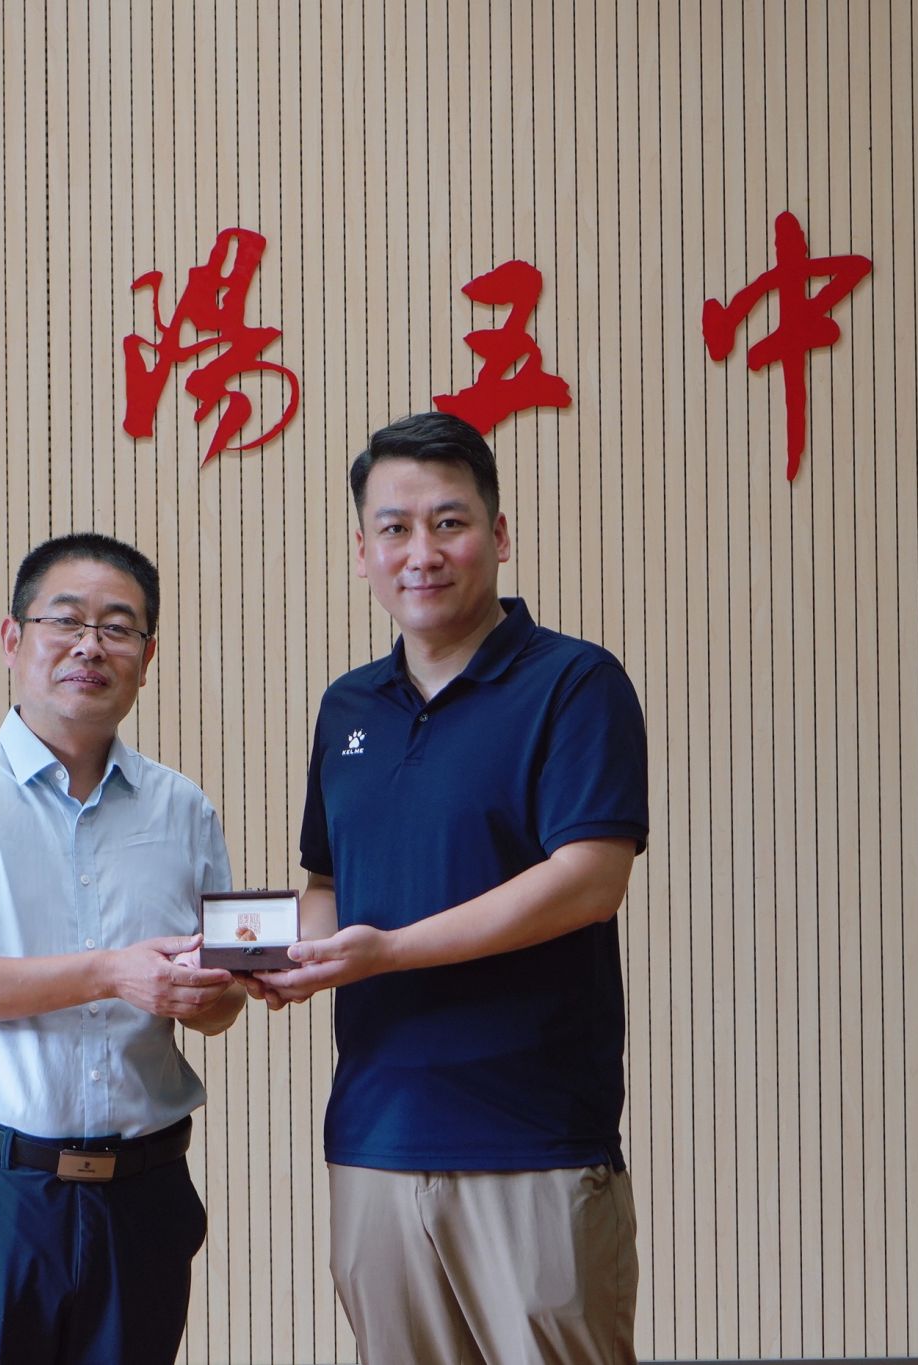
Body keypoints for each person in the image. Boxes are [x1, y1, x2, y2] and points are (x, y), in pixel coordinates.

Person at [252, 412, 649, 1365]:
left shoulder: (575, 683)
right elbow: (329, 883)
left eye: (449, 522)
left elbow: (588, 880)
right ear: (362, 553)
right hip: (375, 1134)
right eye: (393, 528)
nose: (421, 552)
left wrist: (387, 951)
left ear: (499, 535)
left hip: (533, 1136)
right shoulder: (348, 706)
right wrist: (278, 953)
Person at [0, 532, 245, 1365]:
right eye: (64, 620)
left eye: (118, 627)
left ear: (147, 657)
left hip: (143, 1190)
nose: (89, 646)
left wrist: (217, 993)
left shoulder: (183, 809)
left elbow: (219, 1008)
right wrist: (111, 972)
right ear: (13, 639)